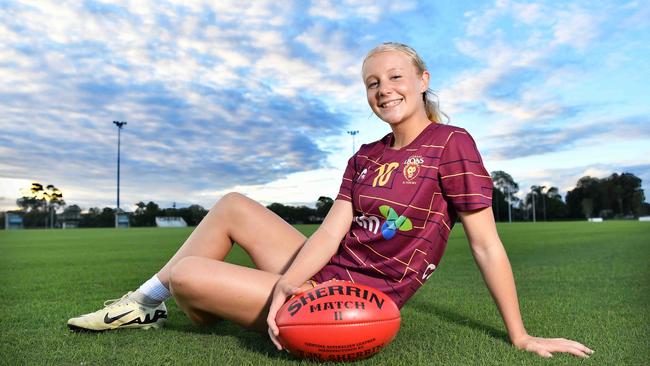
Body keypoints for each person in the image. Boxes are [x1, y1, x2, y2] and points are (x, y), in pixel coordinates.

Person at [68, 42, 594, 359]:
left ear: (422, 81)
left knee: (187, 277)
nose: (383, 90)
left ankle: (195, 300)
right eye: (372, 83)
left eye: (394, 78)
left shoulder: (451, 143)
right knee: (231, 204)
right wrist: (289, 283)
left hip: (357, 300)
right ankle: (142, 306)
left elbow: (485, 245)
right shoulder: (366, 154)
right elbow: (329, 232)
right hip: (322, 271)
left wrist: (521, 336)